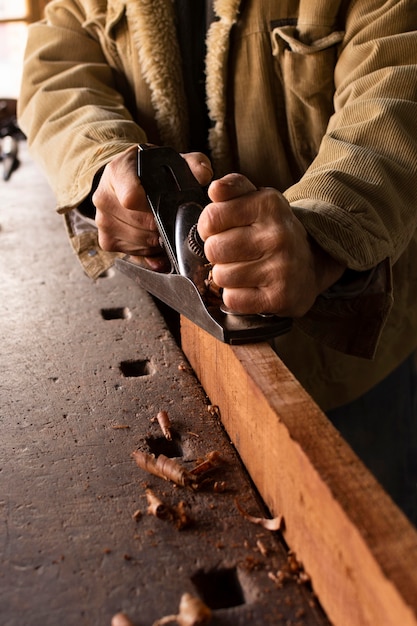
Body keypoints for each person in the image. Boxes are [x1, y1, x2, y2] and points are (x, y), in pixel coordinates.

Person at [18, 0, 417, 522]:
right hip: (177, 338)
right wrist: (103, 164)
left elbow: (397, 84)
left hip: (342, 369)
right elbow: (57, 64)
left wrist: (321, 235)